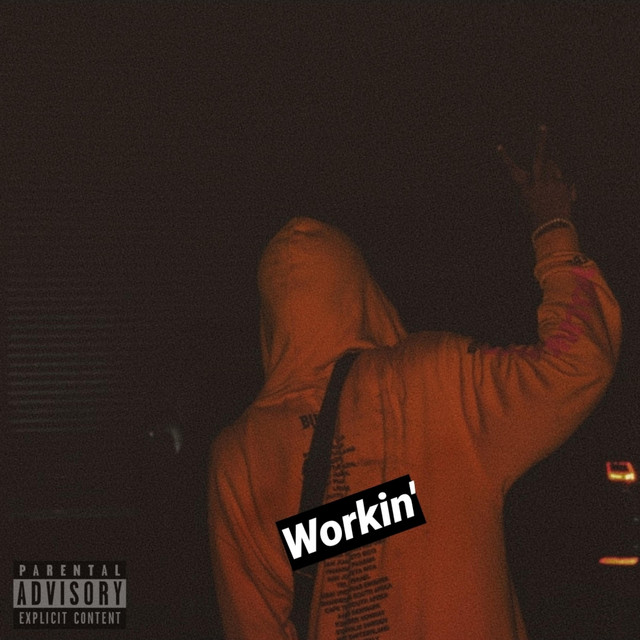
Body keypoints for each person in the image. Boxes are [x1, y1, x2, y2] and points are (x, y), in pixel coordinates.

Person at [208, 126, 621, 639]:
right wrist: (553, 226)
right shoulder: (438, 379)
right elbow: (575, 362)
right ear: (363, 291)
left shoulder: (240, 458)